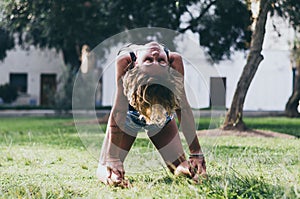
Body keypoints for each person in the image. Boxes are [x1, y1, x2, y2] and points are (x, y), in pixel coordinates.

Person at [96, 42, 206, 187]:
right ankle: (113, 178)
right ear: (135, 65)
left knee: (179, 166)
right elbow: (119, 112)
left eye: (160, 61)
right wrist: (112, 158)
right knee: (107, 166)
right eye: (149, 60)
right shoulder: (125, 61)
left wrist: (196, 153)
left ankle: (191, 172)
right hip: (129, 116)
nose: (155, 55)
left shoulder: (174, 62)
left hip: (160, 116)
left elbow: (183, 108)